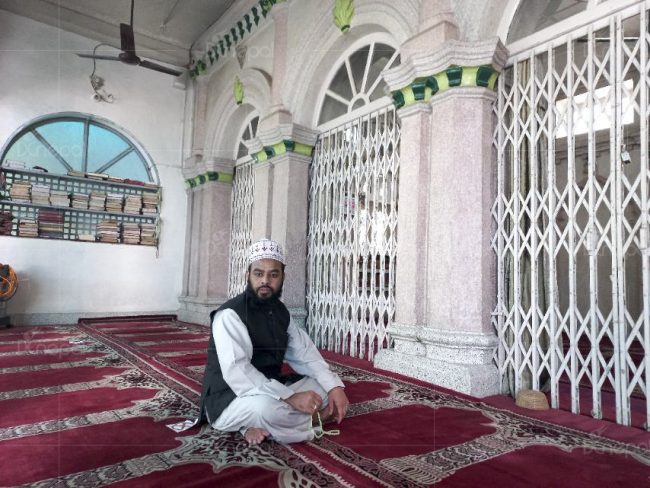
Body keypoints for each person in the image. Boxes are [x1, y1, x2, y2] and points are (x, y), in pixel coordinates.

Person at [198, 238, 349, 444]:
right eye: (258, 273)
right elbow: (238, 371)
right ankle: (312, 422)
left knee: (322, 389)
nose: (265, 281)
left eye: (273, 274)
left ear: (283, 277)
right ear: (248, 275)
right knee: (266, 409)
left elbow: (305, 354)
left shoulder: (281, 312)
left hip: (271, 387)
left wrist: (334, 388)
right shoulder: (230, 314)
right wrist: (290, 397)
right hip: (229, 396)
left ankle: (263, 425)